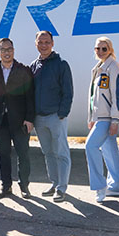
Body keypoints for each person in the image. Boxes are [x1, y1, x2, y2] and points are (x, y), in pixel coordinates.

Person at [0, 38, 35, 199]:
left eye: (10, 49)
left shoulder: (24, 70)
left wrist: (29, 119)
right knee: (3, 155)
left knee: (23, 153)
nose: (7, 52)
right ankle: (6, 186)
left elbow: (30, 97)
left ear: (14, 50)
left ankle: (24, 186)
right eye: (4, 50)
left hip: (19, 120)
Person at [30, 30, 73, 202]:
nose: (44, 45)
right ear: (36, 44)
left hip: (56, 116)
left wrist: (62, 113)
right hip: (39, 118)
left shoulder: (61, 64)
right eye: (40, 42)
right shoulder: (34, 66)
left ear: (53, 43)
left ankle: (62, 188)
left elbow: (68, 91)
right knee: (48, 152)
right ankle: (55, 183)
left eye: (47, 42)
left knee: (61, 152)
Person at [85, 36, 119, 203]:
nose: (100, 51)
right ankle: (116, 186)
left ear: (110, 49)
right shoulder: (99, 68)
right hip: (99, 117)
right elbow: (94, 96)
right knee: (109, 151)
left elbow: (117, 94)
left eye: (104, 48)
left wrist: (115, 120)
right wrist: (91, 117)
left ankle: (100, 186)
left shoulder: (113, 67)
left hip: (108, 117)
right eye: (97, 48)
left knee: (90, 146)